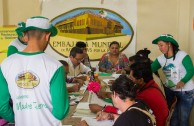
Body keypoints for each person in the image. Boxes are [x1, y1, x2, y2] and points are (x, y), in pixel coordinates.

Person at [0, 16, 69, 126]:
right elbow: (60, 112)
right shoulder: (55, 66)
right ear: (47, 36)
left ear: (26, 35)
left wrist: (18, 118)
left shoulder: (5, 64)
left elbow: (2, 106)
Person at [90, 61, 169, 126]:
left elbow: (128, 115)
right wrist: (111, 115)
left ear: (141, 80)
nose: (129, 80)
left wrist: (104, 109)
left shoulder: (145, 96)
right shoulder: (146, 91)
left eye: (131, 78)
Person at [151, 34, 194, 126]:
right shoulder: (161, 59)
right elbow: (149, 69)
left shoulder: (182, 55)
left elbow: (191, 70)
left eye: (161, 45)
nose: (159, 48)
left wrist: (183, 81)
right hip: (170, 91)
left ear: (169, 44)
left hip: (185, 92)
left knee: (183, 119)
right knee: (172, 118)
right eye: (158, 45)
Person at [83, 75, 156, 126]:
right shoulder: (141, 103)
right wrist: (111, 116)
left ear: (115, 94)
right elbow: (132, 119)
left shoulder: (124, 121)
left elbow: (127, 120)